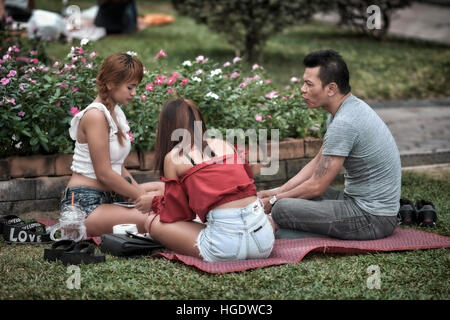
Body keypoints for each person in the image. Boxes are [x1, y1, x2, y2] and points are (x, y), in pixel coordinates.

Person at [258, 49, 401, 240]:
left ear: (331, 88)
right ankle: (286, 225)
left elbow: (317, 186)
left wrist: (275, 201)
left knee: (283, 208)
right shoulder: (342, 112)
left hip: (373, 218)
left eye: (309, 84)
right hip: (355, 203)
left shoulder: (344, 123)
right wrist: (275, 192)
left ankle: (281, 229)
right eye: (303, 83)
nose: (302, 89)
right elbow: (316, 164)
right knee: (290, 197)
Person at [135, 98, 275, 262]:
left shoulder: (173, 158)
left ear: (166, 128)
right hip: (264, 244)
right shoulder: (225, 144)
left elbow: (178, 214)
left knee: (153, 222)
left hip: (224, 248)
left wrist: (154, 203)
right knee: (265, 219)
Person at [63, 52, 163, 237]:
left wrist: (140, 194)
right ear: (110, 83)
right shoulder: (95, 115)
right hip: (86, 204)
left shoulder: (115, 112)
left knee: (164, 189)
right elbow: (104, 173)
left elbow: (119, 167)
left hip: (111, 197)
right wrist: (141, 196)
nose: (134, 93)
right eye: (130, 87)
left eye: (136, 87)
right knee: (157, 215)